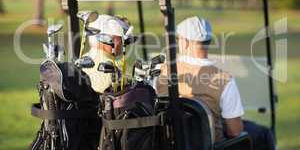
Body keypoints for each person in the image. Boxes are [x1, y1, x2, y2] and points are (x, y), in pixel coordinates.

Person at [156, 16, 275, 150]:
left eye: (178, 39)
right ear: (208, 42)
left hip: (170, 143)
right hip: (211, 145)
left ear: (185, 42)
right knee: (263, 133)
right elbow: (234, 131)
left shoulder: (162, 71)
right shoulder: (224, 80)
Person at [83, 14, 131, 93]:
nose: (122, 41)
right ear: (105, 38)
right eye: (118, 37)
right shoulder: (110, 65)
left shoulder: (83, 58)